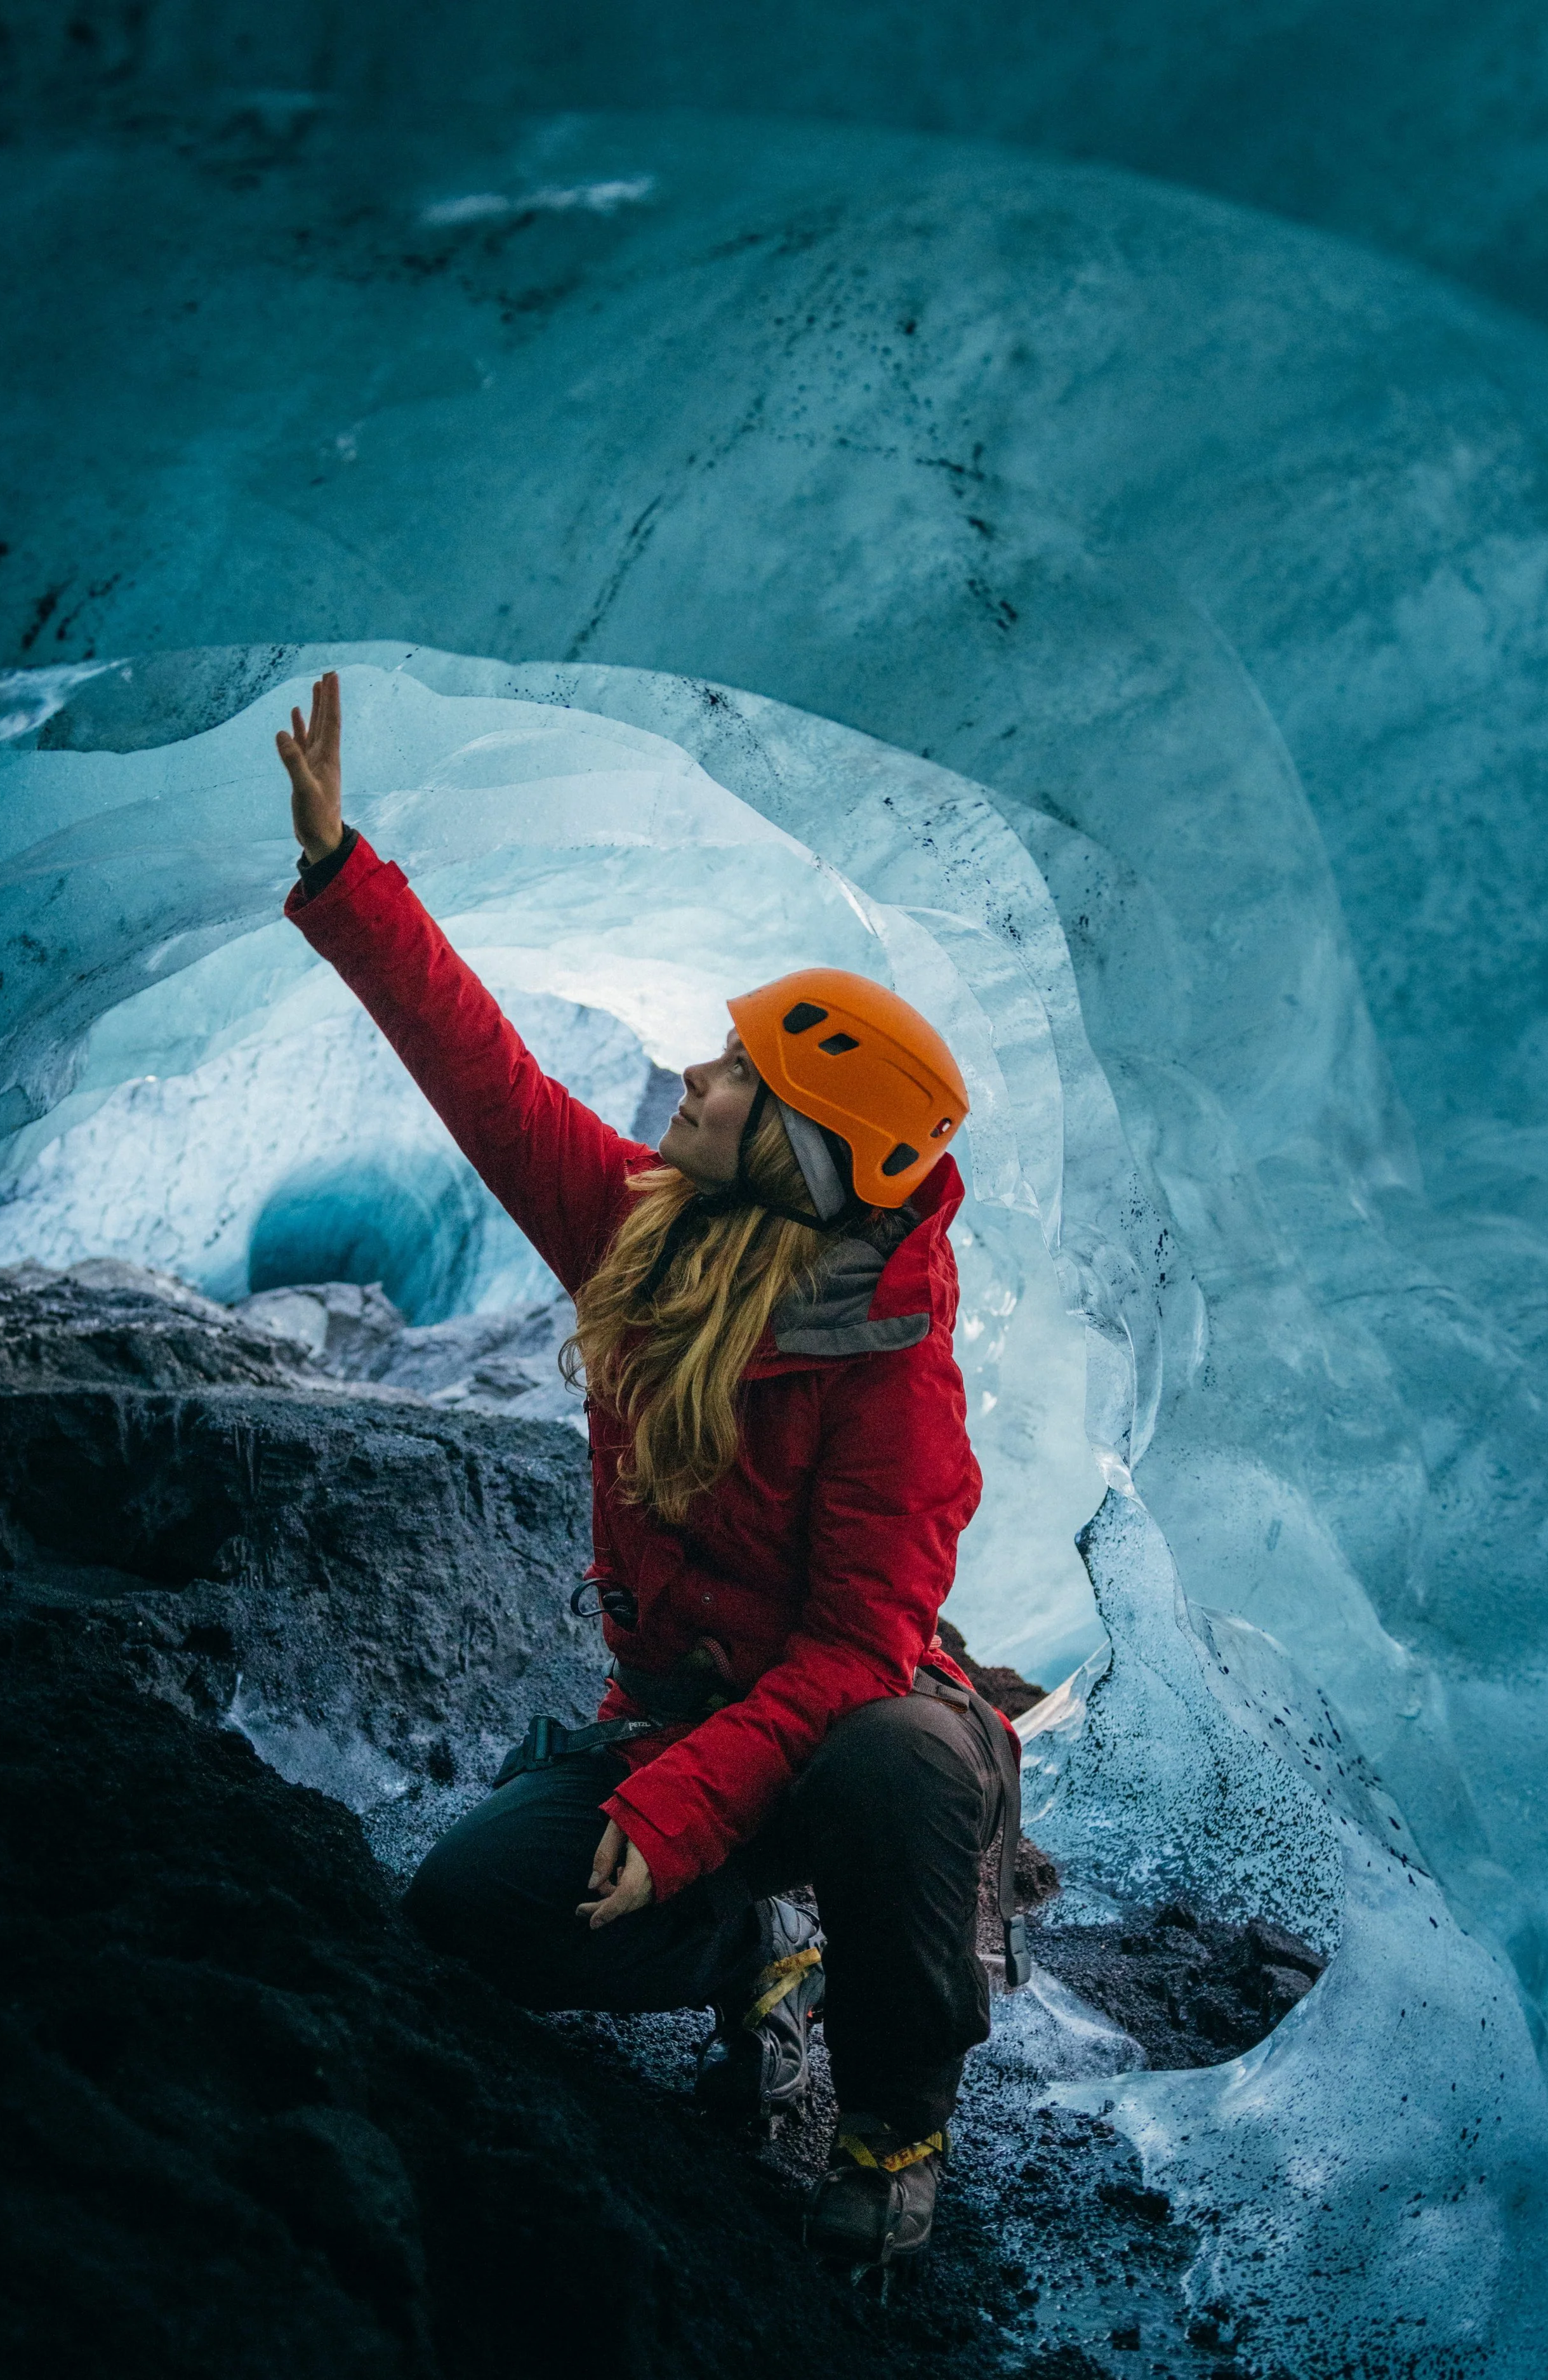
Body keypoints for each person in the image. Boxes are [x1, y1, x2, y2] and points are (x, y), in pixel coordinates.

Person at [275, 671, 1029, 2278]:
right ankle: (740, 1943)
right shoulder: (641, 1236)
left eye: (736, 1070)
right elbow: (479, 1076)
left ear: (802, 1149)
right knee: (461, 1915)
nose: (695, 1076)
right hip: (680, 1720)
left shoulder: (893, 1374)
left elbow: (851, 1652)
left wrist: (688, 1801)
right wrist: (346, 871)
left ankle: (888, 2131)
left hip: (837, 1729)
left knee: (902, 1766)